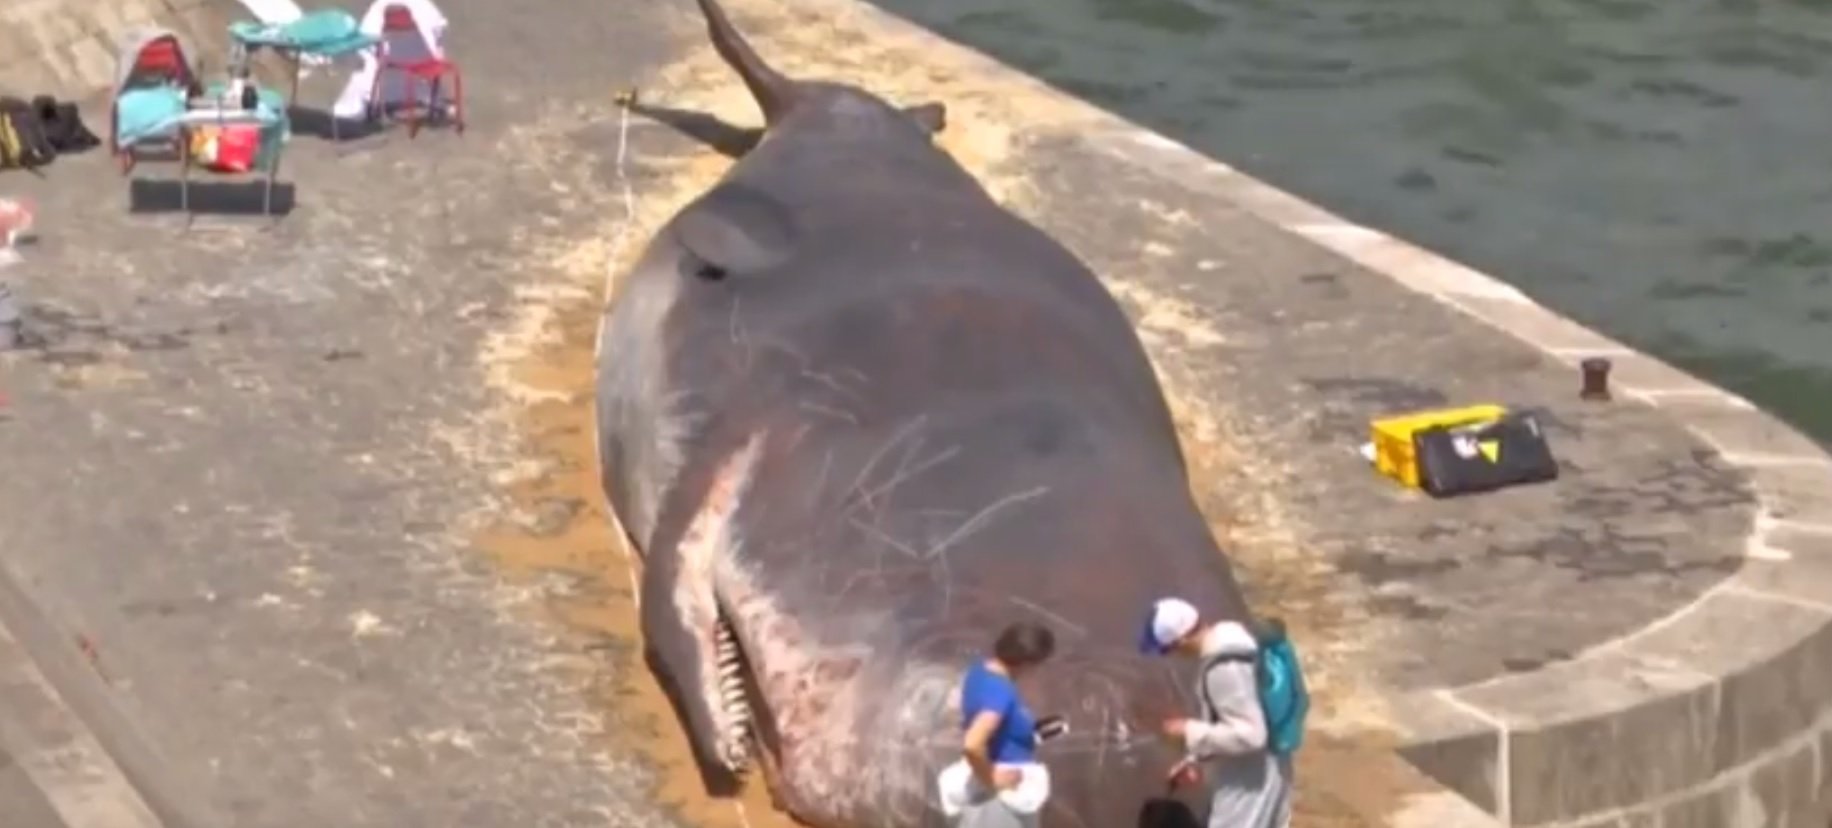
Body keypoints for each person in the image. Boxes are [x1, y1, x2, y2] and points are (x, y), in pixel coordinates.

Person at [1140, 597, 1292, 828]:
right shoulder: (1234, 640)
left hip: (1250, 780)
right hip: (1268, 767)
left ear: (1180, 640)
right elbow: (1233, 718)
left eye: (1168, 649)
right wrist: (1195, 759)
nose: (1171, 655)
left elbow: (1251, 736)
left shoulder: (1223, 667)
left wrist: (1189, 731)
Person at [936, 621, 1057, 827]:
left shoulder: (981, 670)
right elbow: (973, 744)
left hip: (990, 789)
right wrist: (992, 778)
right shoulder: (1001, 694)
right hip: (1000, 802)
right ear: (1027, 663)